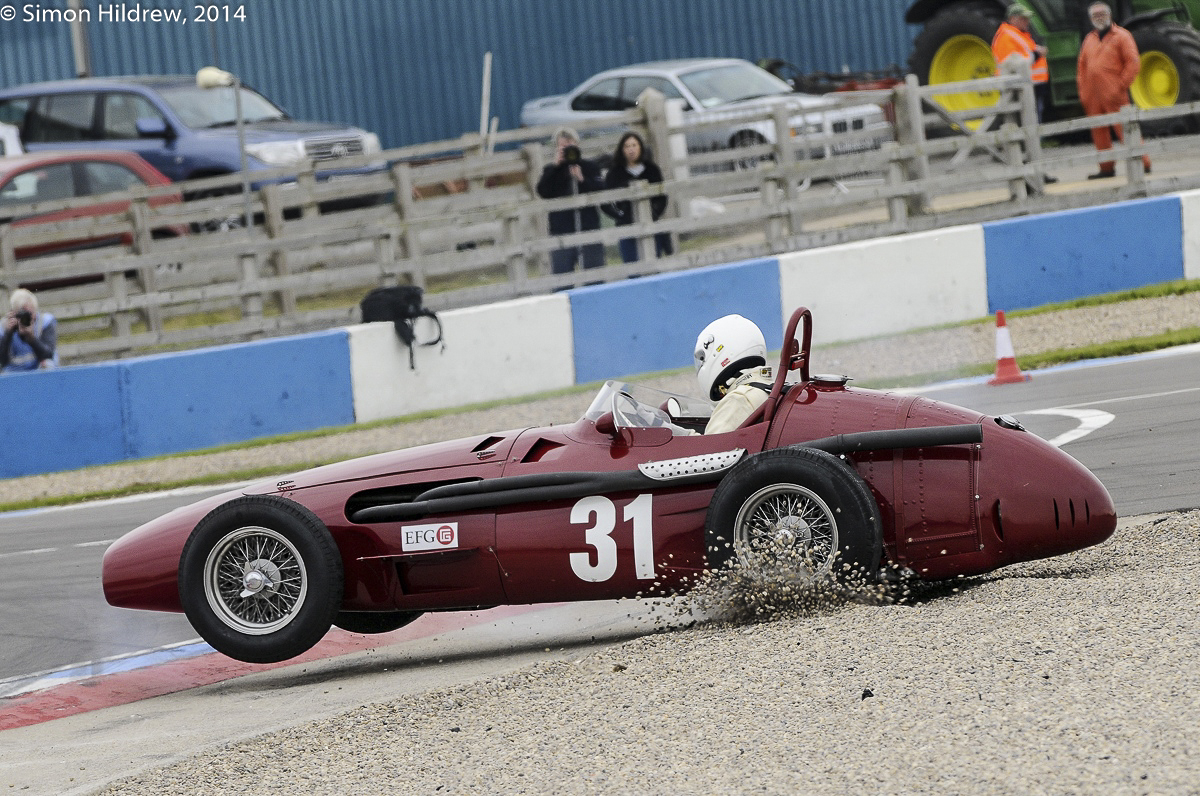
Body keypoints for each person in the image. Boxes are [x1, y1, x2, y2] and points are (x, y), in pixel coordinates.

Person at [1077, 1, 1152, 179]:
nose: (1099, 18)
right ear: (1090, 19)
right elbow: (1082, 68)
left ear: (1110, 15)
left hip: (1114, 93)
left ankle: (1143, 164)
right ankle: (1106, 168)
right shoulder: (1089, 39)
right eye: (1095, 15)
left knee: (1126, 129)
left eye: (1102, 14)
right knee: (1099, 133)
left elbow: (1133, 63)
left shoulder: (1122, 36)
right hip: (1092, 96)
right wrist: (1083, 92)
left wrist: (1120, 86)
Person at [536, 127, 605, 276]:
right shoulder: (551, 170)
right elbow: (543, 192)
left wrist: (582, 179)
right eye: (563, 148)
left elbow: (600, 190)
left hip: (588, 227)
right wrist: (556, 167)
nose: (568, 151)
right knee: (562, 278)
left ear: (577, 145)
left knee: (595, 276)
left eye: (570, 147)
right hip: (561, 230)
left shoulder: (590, 167)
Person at [693, 314, 773, 435]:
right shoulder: (766, 387)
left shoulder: (739, 399)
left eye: (702, 358)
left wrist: (676, 431)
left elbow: (707, 450)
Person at [602, 131, 673, 263]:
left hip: (651, 223)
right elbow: (605, 202)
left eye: (634, 145)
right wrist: (620, 215)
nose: (631, 149)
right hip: (627, 227)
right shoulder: (614, 173)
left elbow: (662, 196)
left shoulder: (652, 170)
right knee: (632, 265)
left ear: (640, 147)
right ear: (622, 150)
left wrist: (654, 212)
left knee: (654, 264)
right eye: (627, 146)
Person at [992, 4, 1049, 122]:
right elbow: (1012, 62)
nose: (1027, 21)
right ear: (1013, 19)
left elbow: (1023, 51)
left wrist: (1036, 51)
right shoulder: (1006, 36)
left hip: (1031, 85)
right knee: (1028, 121)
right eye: (1024, 18)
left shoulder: (1018, 34)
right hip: (1021, 87)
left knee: (1034, 117)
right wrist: (1037, 54)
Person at [1, 288, 58, 373]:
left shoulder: (45, 322)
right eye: (22, 314)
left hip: (39, 367)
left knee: (49, 364)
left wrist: (31, 338)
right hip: (13, 371)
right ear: (14, 313)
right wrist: (8, 333)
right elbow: (2, 361)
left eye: (29, 314)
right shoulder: (4, 326)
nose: (26, 319)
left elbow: (49, 355)